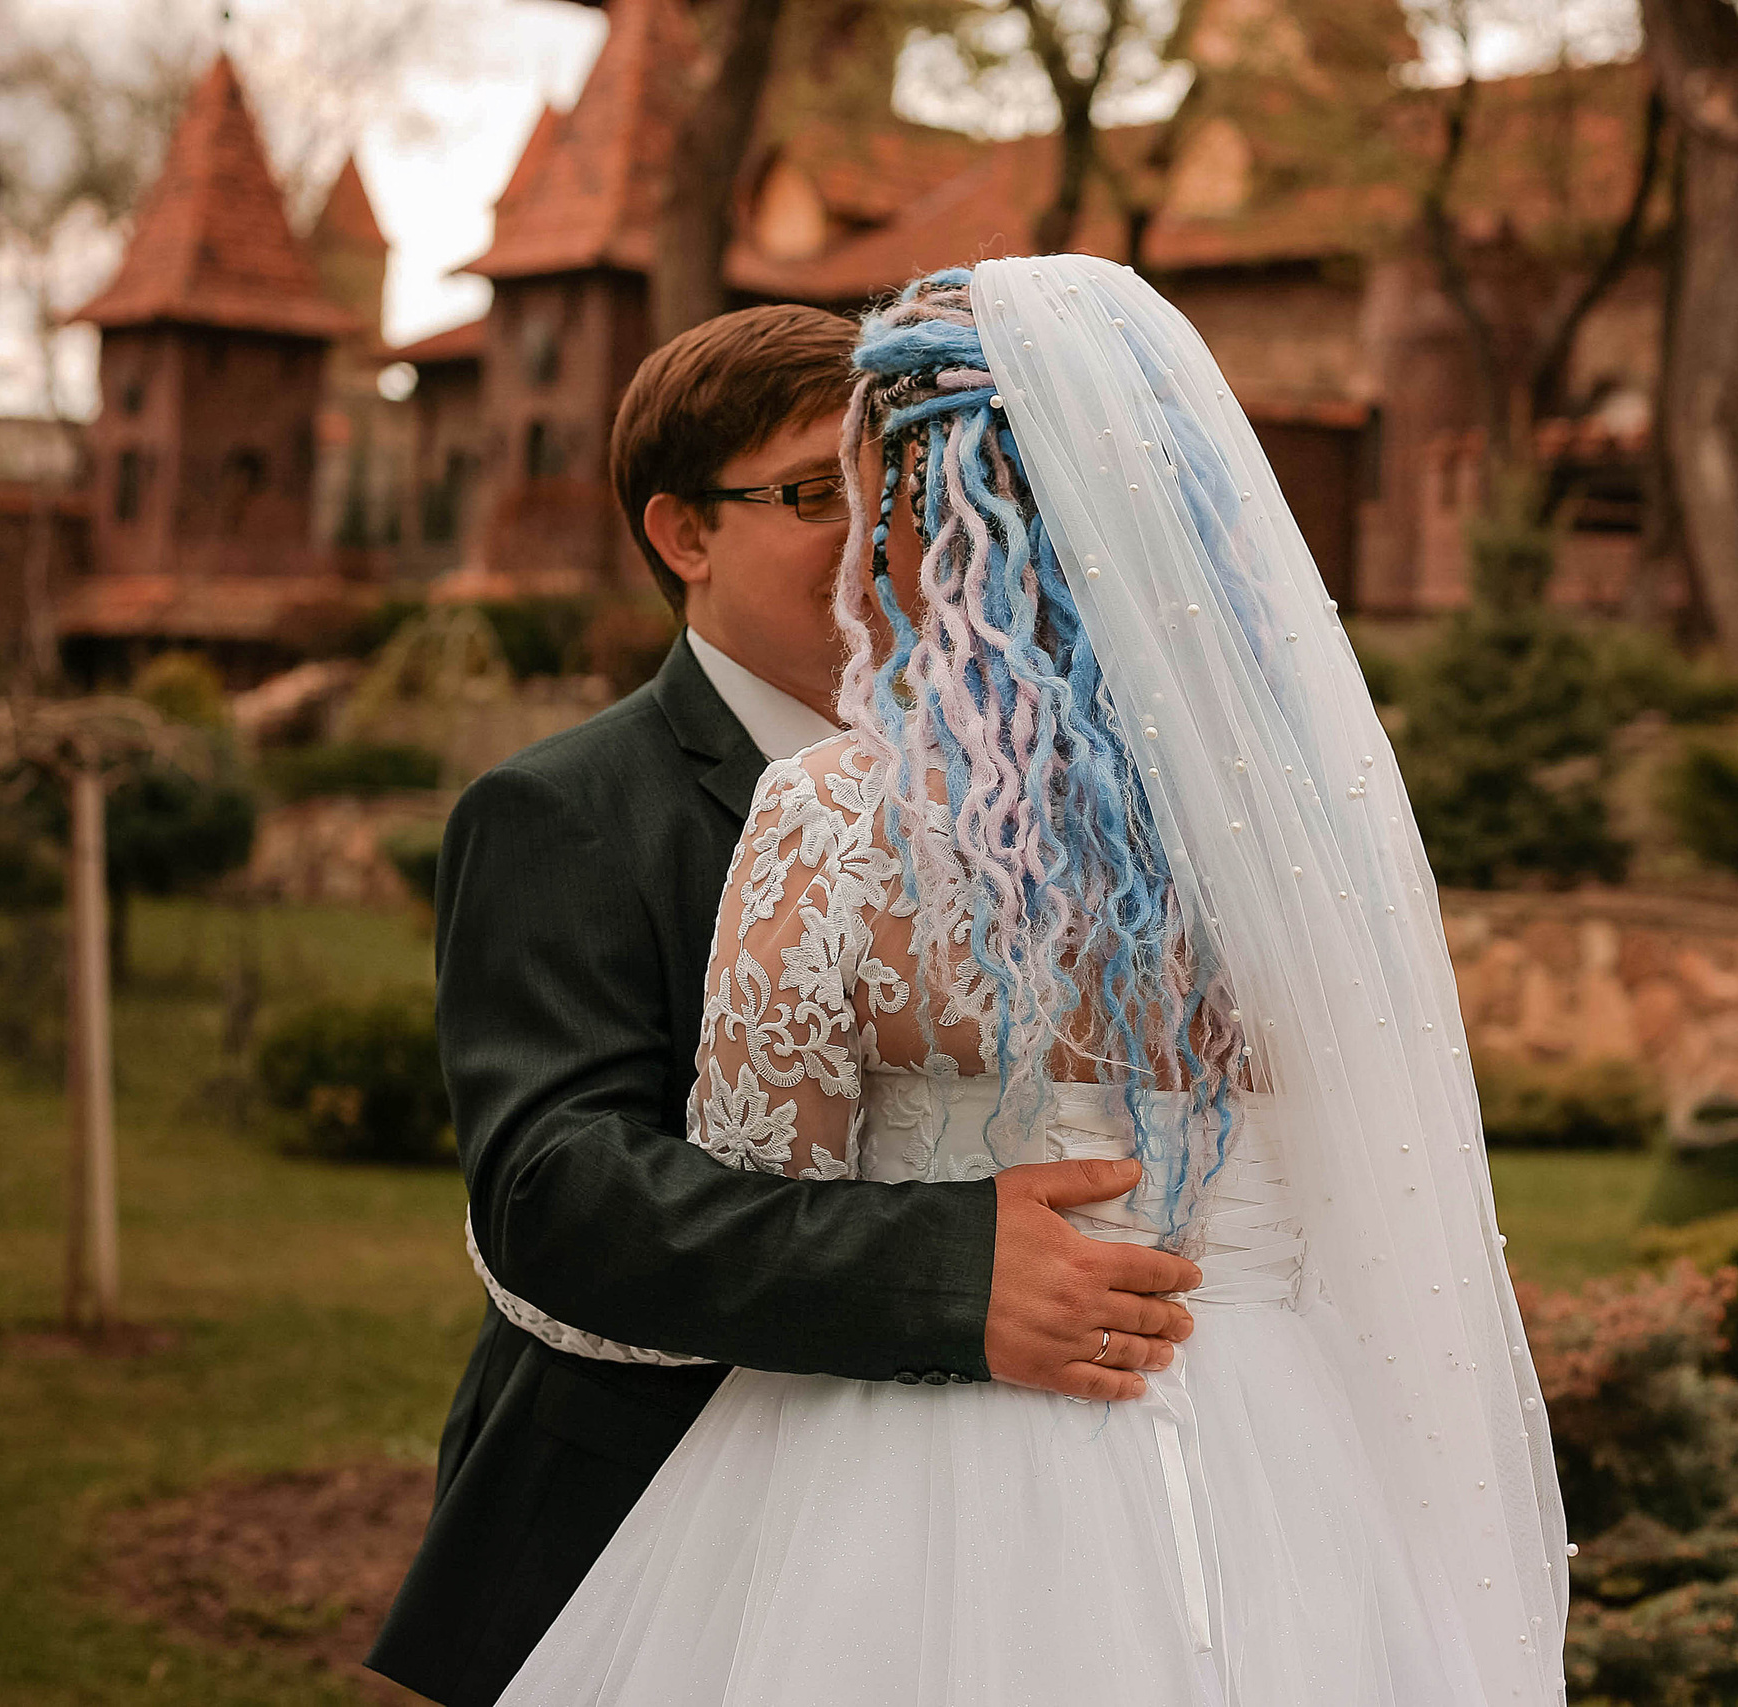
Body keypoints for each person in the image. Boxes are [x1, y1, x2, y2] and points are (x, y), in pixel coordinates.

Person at [494, 256, 1572, 1706]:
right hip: (1285, 1470)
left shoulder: (835, 821)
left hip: (899, 1478)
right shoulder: (1308, 840)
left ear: (929, 535)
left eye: (861, 502)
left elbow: (762, 1186)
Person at [366, 302, 1204, 1707]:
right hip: (634, 1512)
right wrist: (953, 1271)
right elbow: (555, 1193)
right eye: (819, 494)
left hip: (1033, 1516)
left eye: (900, 488)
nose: (881, 530)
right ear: (684, 534)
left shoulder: (1049, 805)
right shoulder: (562, 812)